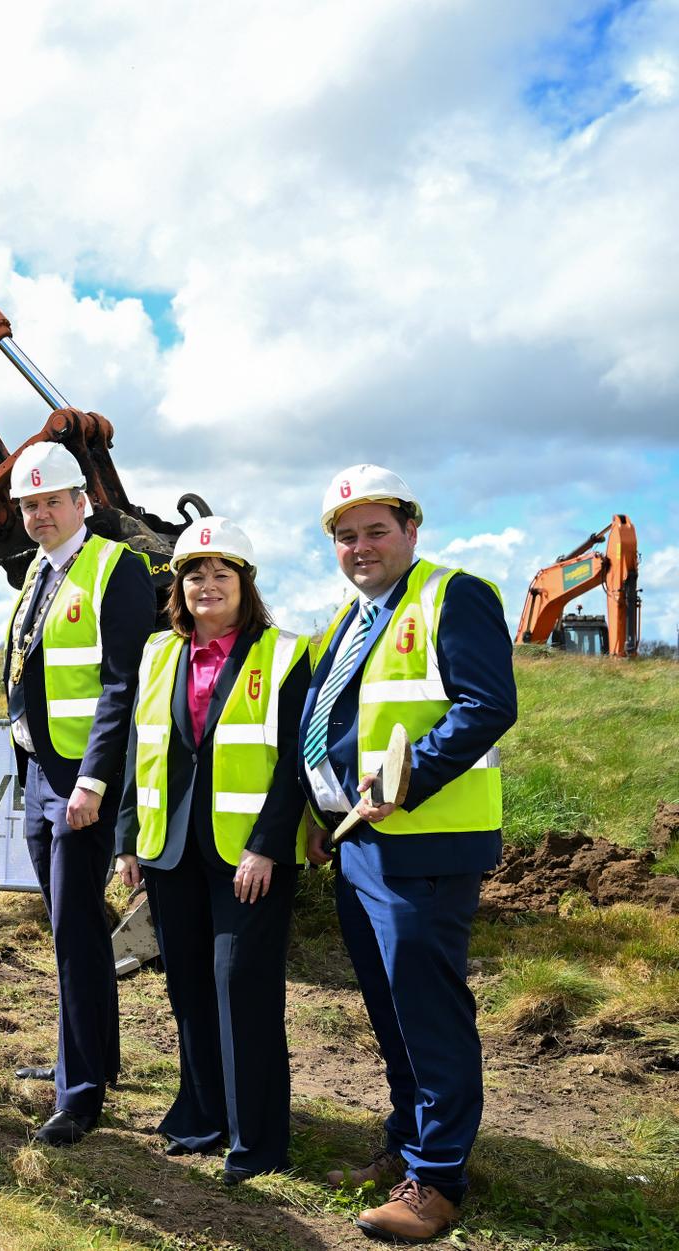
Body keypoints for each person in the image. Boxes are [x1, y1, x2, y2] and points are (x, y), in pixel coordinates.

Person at [301, 465, 517, 1243]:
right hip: (363, 845)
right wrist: (328, 815)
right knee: (392, 1013)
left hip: (426, 844)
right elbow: (336, 730)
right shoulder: (350, 619)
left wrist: (410, 775)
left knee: (428, 1014)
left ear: (411, 530)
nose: (361, 547)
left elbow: (489, 704)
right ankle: (405, 1144)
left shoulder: (453, 594)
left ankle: (438, 1181)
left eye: (375, 530)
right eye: (345, 535)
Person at [114, 517, 308, 1181]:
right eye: (194, 573)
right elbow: (141, 751)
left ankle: (257, 1139)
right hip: (170, 852)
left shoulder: (283, 654)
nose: (206, 583)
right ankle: (201, 1116)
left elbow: (294, 765)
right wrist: (127, 838)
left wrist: (267, 846)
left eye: (221, 572)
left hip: (247, 860)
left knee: (242, 988)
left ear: (244, 585)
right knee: (190, 988)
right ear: (179, 586)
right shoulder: (157, 653)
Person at [1, 439, 155, 1146]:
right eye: (28, 505)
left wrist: (94, 778)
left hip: (78, 782)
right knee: (76, 927)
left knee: (73, 930)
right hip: (39, 773)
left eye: (49, 502)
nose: (38, 514)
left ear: (80, 503)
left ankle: (81, 1092)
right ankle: (88, 1059)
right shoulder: (39, 571)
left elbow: (121, 683)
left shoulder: (113, 568)